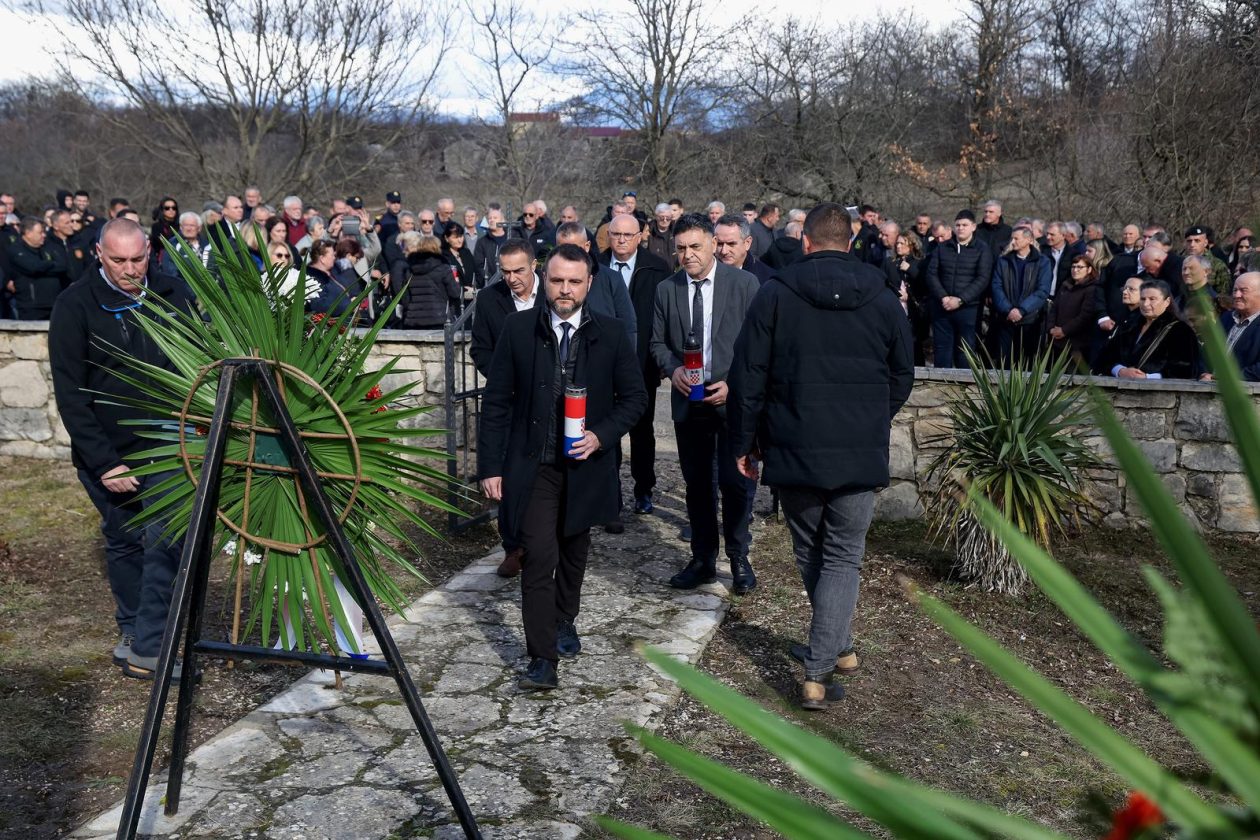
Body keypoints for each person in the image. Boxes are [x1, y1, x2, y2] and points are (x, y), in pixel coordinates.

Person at [728, 202, 913, 710]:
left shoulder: (775, 295)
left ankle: (822, 661)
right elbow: (903, 375)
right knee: (838, 557)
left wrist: (746, 442)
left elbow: (749, 378)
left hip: (795, 444)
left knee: (818, 552)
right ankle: (828, 657)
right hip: (854, 448)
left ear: (805, 241)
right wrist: (874, 418)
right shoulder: (882, 298)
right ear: (851, 241)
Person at [478, 243, 646, 691]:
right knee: (537, 557)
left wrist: (601, 435)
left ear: (589, 283)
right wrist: (490, 466)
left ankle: (565, 619)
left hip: (587, 466)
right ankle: (542, 657)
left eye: (574, 281)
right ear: (543, 280)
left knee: (574, 550)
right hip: (535, 467)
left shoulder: (610, 334)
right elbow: (495, 403)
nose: (565, 290)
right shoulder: (517, 330)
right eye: (557, 281)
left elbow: (635, 399)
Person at [48, 218, 195, 681]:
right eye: (118, 260)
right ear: (98, 254)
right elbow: (72, 395)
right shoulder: (75, 306)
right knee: (126, 539)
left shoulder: (175, 295)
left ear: (150, 250)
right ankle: (133, 630)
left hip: (170, 444)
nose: (130, 269)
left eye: (137, 259)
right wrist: (106, 461)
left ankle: (151, 647)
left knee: (167, 538)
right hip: (111, 451)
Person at [650, 213, 760, 594]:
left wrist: (733, 383)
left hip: (731, 402)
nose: (688, 255)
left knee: (734, 483)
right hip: (689, 400)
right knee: (697, 484)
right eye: (681, 248)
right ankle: (702, 560)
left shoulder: (745, 284)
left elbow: (757, 347)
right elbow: (657, 343)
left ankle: (739, 557)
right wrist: (673, 368)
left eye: (695, 246)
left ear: (713, 243)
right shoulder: (667, 289)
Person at [470, 240, 541, 578]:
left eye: (519, 271)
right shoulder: (489, 299)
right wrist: (503, 375)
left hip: (549, 397)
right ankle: (513, 546)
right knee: (509, 473)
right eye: (505, 271)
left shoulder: (554, 294)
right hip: (510, 397)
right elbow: (480, 349)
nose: (512, 278)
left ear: (535, 266)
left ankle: (541, 540)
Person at [598, 212, 672, 516]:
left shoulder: (656, 268)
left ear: (641, 235)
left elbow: (662, 318)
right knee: (607, 431)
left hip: (642, 364)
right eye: (616, 234)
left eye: (627, 235)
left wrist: (660, 360)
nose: (621, 240)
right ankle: (609, 492)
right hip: (603, 366)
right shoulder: (596, 265)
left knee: (642, 432)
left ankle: (644, 490)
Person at [925, 210, 993, 367]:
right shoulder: (942, 248)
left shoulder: (982, 249)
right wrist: (943, 297)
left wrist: (961, 299)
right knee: (942, 349)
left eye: (965, 225)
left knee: (965, 351)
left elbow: (982, 278)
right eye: (958, 225)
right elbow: (931, 274)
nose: (961, 228)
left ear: (973, 227)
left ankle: (965, 390)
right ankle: (941, 387)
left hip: (968, 308)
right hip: (942, 307)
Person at [1093, 279, 1199, 379]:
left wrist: (1147, 377)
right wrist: (1120, 371)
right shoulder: (1128, 325)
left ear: (1167, 301)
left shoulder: (1181, 330)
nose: (1146, 304)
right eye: (1143, 299)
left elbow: (1186, 370)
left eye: (1152, 299)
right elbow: (1103, 358)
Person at [990, 225, 1052, 366]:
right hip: (1006, 319)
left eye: (1016, 238)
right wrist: (1009, 310)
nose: (1012, 242)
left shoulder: (1042, 262)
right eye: (1012, 238)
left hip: (1030, 321)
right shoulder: (1003, 261)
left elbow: (1042, 290)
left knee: (1026, 364)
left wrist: (1022, 310)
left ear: (1029, 239)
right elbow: (996, 287)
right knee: (1004, 362)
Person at [394, 233, 461, 329]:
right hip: (439, 318)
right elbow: (455, 293)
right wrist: (457, 282)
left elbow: (405, 298)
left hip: (413, 320)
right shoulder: (443, 268)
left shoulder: (410, 269)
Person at [1202, 272, 1260, 382]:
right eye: (1235, 290)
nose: (1237, 295)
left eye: (1243, 290)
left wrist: (1222, 378)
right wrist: (1203, 372)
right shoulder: (1226, 318)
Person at [8, 217, 69, 319]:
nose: (44, 235)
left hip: (54, 303)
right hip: (31, 307)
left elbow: (62, 265)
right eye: (40, 233)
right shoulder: (16, 250)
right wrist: (50, 264)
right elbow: (32, 267)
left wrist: (43, 266)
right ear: (28, 233)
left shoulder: (49, 247)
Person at [1047, 255, 1099, 364]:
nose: (1075, 270)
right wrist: (1051, 327)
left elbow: (1085, 316)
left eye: (1080, 267)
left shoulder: (1092, 289)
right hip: (1056, 340)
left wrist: (1064, 330)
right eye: (1073, 267)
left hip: (1077, 344)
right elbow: (1054, 308)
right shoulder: (1065, 285)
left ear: (1089, 269)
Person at [714, 214, 775, 285]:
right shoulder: (704, 274)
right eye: (719, 244)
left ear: (747, 243)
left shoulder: (767, 280)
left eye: (731, 244)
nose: (724, 251)